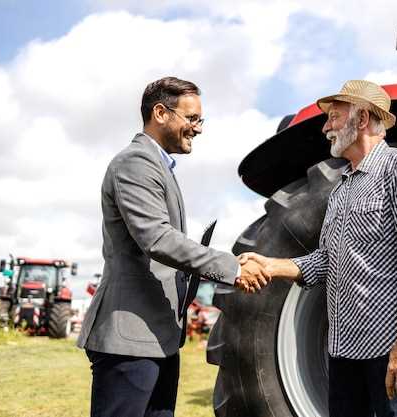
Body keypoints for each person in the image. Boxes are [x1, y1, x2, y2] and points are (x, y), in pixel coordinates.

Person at [240, 80, 397, 417]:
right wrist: (270, 265)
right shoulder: (341, 190)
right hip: (345, 349)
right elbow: (326, 261)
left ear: (362, 119)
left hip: (388, 344)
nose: (325, 127)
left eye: (333, 117)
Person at [77, 76, 269, 417]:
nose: (198, 128)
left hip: (157, 336)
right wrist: (233, 269)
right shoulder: (135, 163)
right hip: (130, 337)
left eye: (200, 120)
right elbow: (158, 239)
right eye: (192, 118)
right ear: (161, 113)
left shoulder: (159, 166)